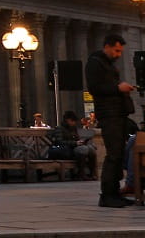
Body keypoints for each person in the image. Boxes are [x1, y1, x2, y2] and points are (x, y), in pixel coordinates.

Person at [86, 33, 137, 208]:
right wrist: (117, 88)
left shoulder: (108, 64)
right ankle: (107, 195)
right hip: (108, 114)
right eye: (116, 50)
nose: (118, 54)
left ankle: (115, 192)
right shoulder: (95, 63)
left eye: (120, 51)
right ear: (106, 46)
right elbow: (95, 88)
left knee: (119, 153)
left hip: (117, 112)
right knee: (113, 154)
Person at [46, 110, 95, 179]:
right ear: (68, 120)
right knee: (83, 150)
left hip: (73, 148)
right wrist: (75, 143)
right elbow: (59, 142)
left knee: (91, 149)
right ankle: (81, 173)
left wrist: (80, 142)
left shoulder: (73, 128)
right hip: (65, 151)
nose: (74, 123)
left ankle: (92, 174)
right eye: (73, 121)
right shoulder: (59, 129)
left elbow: (76, 139)